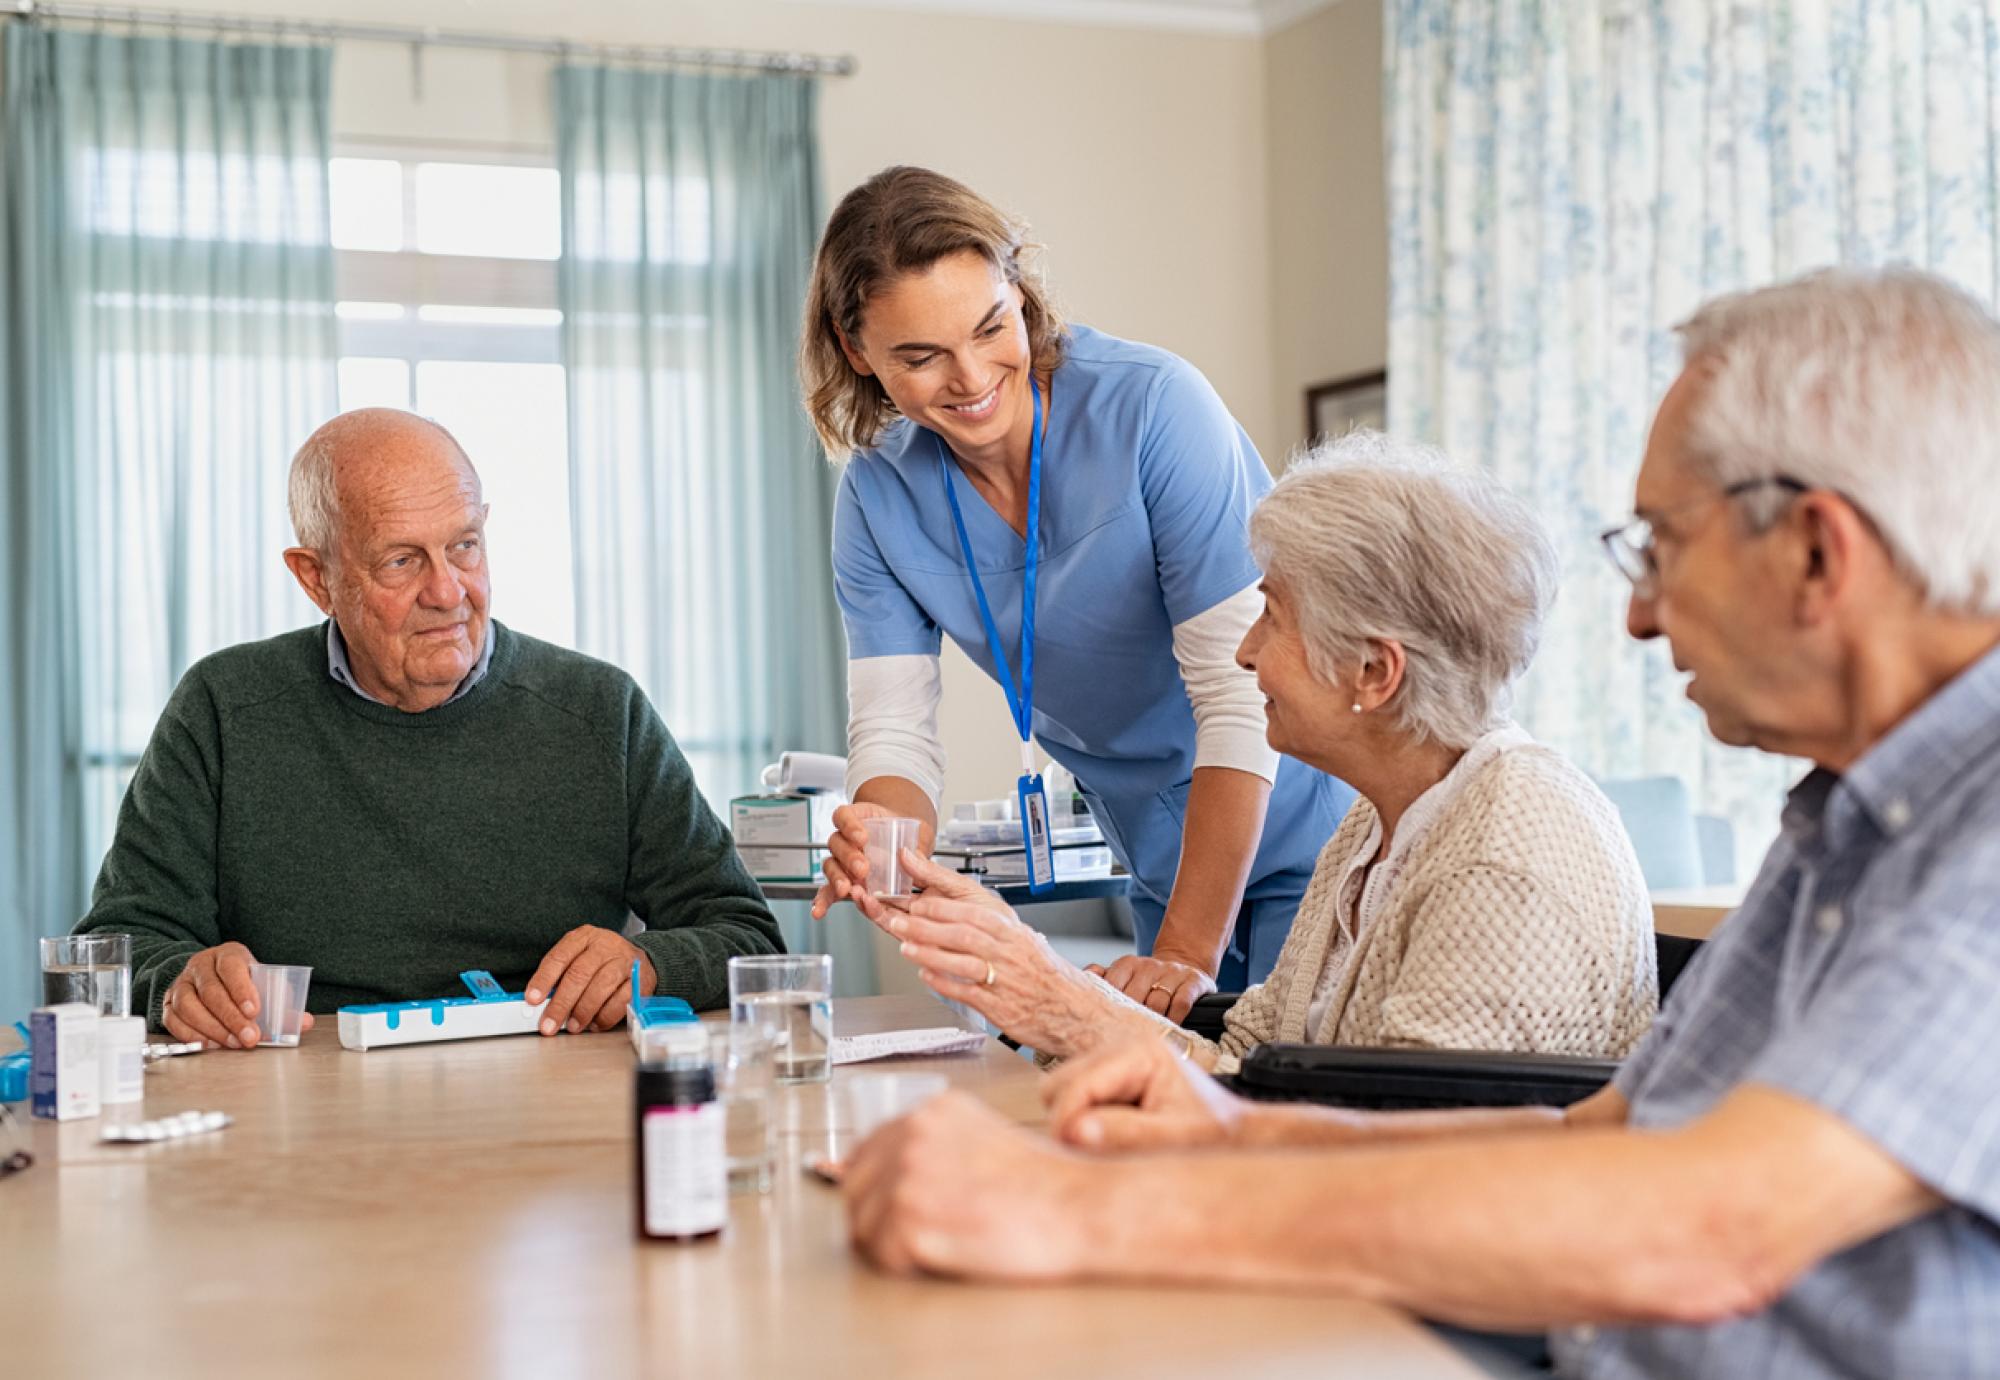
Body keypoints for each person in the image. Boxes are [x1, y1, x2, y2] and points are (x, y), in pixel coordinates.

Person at [840, 267, 2000, 1378]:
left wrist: (1084, 1207)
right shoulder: (1849, 821)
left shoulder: (1976, 843)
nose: (1639, 616)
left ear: (1813, 551)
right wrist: (1235, 1138)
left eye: (1662, 546)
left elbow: (1706, 1226)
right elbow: (1601, 1138)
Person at [870, 434, 1655, 1067]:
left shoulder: (1500, 861)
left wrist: (1062, 1003)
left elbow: (1389, 1159)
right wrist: (1049, 994)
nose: (1245, 654)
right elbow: (1253, 1056)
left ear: (1374, 672)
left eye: (1271, 618)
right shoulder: (1379, 824)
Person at [802, 165, 1354, 1010]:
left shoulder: (1155, 411)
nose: (972, 376)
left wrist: (1184, 959)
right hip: (1161, 858)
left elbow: (1239, 700)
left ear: (1020, 293)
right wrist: (883, 839)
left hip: (1310, 828)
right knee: (1160, 1120)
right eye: (920, 356)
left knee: (1288, 1108)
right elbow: (894, 735)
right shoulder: (879, 496)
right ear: (857, 352)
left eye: (992, 326)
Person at [73, 408, 783, 1049]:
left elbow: (750, 939)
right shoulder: (223, 707)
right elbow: (113, 947)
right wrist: (178, 983)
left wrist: (653, 963)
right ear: (316, 578)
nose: (448, 593)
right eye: (401, 560)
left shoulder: (601, 710)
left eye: (465, 546)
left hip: (544, 1101)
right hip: (305, 1103)